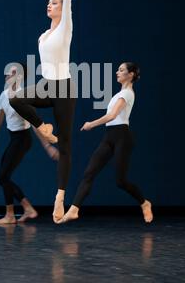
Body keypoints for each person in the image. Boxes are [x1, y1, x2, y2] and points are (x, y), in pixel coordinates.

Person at [10, 0, 86, 223]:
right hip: (47, 85)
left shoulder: (66, 25)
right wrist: (40, 124)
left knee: (65, 146)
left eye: (53, 3)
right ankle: (43, 127)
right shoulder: (43, 36)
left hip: (65, 88)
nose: (49, 5)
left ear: (62, 9)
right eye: (48, 3)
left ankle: (60, 197)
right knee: (16, 99)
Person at [58, 62, 153, 224]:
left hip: (122, 136)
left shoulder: (128, 93)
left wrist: (91, 124)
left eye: (121, 70)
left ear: (130, 75)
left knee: (120, 181)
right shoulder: (119, 94)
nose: (117, 72)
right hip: (109, 136)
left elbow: (113, 115)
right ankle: (74, 209)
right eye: (118, 69)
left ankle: (145, 203)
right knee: (89, 173)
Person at [0, 62, 59, 224]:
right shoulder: (4, 95)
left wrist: (48, 147)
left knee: (3, 177)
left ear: (20, 76)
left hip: (23, 139)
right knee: (3, 177)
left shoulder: (24, 96)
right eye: (7, 73)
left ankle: (16, 212)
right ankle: (18, 211)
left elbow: (36, 124)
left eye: (12, 73)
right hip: (14, 138)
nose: (7, 75)